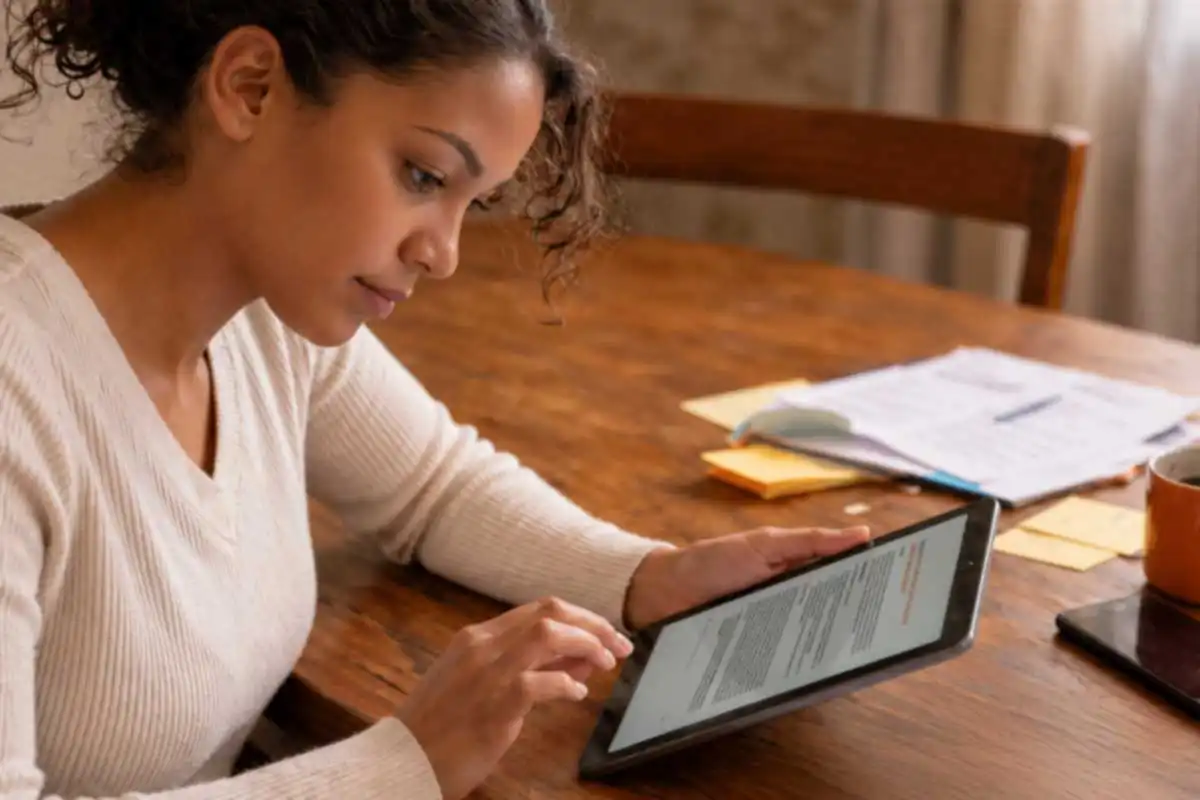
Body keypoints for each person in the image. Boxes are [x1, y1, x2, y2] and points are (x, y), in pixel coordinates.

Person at [0, 1, 870, 798]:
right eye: (423, 175)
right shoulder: (17, 380)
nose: (443, 253)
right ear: (250, 88)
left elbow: (434, 486)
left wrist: (646, 577)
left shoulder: (262, 316)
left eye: (471, 201)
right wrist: (406, 762)